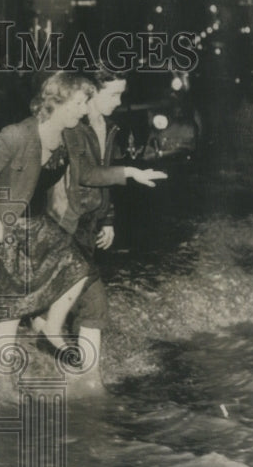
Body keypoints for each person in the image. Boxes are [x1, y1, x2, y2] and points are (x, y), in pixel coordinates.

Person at [40, 70, 167, 374]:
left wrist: (108, 219)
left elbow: (102, 179)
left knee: (85, 305)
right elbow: (86, 174)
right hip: (63, 222)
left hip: (88, 224)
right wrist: (130, 173)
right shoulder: (74, 126)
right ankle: (80, 373)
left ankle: (81, 376)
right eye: (113, 94)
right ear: (91, 93)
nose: (119, 101)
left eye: (122, 94)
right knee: (93, 303)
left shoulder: (108, 127)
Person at [0, 71, 97, 364]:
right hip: (6, 226)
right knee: (10, 314)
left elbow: (88, 174)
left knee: (79, 267)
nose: (85, 109)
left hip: (36, 224)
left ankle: (50, 327)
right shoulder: (18, 134)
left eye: (87, 103)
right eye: (80, 103)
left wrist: (129, 173)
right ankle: (0, 385)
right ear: (58, 102)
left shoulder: (69, 136)